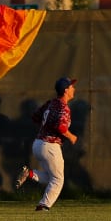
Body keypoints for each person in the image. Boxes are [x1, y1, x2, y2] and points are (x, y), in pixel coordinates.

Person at [17, 77, 78, 211]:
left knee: (52, 177)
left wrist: (47, 126)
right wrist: (71, 136)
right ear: (66, 90)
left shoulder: (51, 103)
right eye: (72, 86)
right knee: (58, 180)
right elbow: (61, 128)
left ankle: (30, 174)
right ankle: (43, 206)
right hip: (50, 146)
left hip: (38, 144)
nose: (74, 88)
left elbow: (35, 117)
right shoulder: (64, 107)